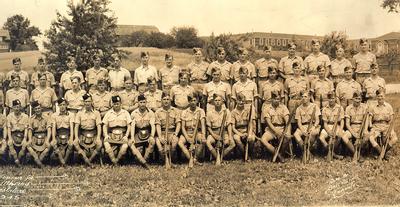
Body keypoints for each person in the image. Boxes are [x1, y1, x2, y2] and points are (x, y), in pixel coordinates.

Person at [260, 92, 291, 162]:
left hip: (282, 128)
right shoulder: (266, 108)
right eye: (275, 99)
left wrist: (287, 131)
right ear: (271, 99)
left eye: (278, 99)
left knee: (288, 137)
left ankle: (279, 154)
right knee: (263, 140)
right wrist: (276, 132)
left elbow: (287, 122)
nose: (277, 101)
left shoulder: (283, 107)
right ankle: (278, 155)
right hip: (271, 129)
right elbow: (268, 123)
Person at [73, 94, 102, 166]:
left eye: (89, 101)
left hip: (93, 133)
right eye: (85, 101)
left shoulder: (96, 113)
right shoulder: (79, 113)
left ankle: (90, 160)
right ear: (83, 102)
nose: (87, 103)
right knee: (75, 143)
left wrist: (98, 137)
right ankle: (86, 159)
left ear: (92, 102)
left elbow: (99, 126)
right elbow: (76, 126)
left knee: (100, 144)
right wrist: (76, 137)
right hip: (83, 134)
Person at [368, 89, 398, 159]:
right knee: (371, 138)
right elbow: (369, 119)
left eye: (381, 96)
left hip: (386, 126)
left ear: (384, 96)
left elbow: (391, 120)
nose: (380, 98)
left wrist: (390, 129)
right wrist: (371, 127)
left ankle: (381, 153)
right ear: (376, 97)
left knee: (395, 139)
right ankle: (382, 154)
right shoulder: (373, 107)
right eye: (378, 96)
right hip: (376, 126)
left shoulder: (388, 106)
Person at [103, 95, 132, 165]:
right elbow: (104, 125)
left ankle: (117, 160)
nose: (116, 105)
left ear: (121, 104)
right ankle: (113, 160)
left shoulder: (125, 113)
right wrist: (106, 135)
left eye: (118, 104)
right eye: (114, 104)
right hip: (111, 134)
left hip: (122, 134)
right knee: (106, 143)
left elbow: (129, 125)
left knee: (125, 146)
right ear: (112, 104)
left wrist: (126, 136)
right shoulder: (108, 113)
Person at [206, 94, 235, 163]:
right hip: (214, 132)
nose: (217, 102)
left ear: (222, 101)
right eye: (215, 100)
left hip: (224, 132)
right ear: (213, 102)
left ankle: (220, 157)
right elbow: (208, 127)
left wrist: (230, 136)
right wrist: (214, 135)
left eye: (219, 100)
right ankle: (217, 157)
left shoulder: (226, 111)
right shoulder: (209, 113)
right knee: (208, 142)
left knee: (232, 144)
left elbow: (229, 125)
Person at [178, 94, 206, 164]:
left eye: (194, 100)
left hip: (197, 132)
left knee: (203, 141)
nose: (193, 102)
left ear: (197, 101)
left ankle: (195, 157)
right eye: (191, 100)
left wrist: (203, 135)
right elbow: (183, 127)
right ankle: (191, 159)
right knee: (180, 143)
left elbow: (202, 125)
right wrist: (187, 138)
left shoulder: (201, 111)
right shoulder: (184, 112)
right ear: (188, 102)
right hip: (187, 132)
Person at [154, 92, 181, 165]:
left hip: (172, 132)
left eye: (168, 99)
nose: (166, 101)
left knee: (175, 142)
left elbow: (178, 124)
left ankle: (172, 160)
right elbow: (158, 125)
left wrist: (175, 134)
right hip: (162, 133)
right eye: (164, 99)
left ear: (170, 100)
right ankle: (163, 160)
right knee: (158, 143)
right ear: (161, 100)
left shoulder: (175, 111)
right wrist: (160, 137)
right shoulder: (158, 112)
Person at [342, 92, 370, 158]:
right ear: (352, 99)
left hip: (362, 127)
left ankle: (360, 151)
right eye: (356, 98)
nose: (358, 100)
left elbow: (366, 121)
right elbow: (347, 124)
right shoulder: (348, 108)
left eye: (359, 99)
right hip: (352, 127)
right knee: (344, 137)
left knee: (366, 137)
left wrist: (365, 130)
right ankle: (356, 153)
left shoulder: (364, 107)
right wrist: (353, 133)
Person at [293, 91, 321, 157]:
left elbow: (317, 120)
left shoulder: (314, 106)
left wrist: (313, 127)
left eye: (305, 96)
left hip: (313, 126)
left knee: (312, 133)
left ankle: (306, 152)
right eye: (302, 97)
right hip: (303, 126)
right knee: (296, 134)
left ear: (309, 98)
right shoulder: (299, 108)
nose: (303, 98)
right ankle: (307, 152)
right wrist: (302, 130)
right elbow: (299, 122)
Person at [319, 91, 345, 159]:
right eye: (329, 98)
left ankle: (331, 153)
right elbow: (325, 123)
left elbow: (342, 121)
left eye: (332, 98)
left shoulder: (340, 108)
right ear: (328, 99)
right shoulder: (324, 109)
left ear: (335, 99)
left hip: (337, 126)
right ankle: (333, 154)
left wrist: (340, 130)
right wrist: (328, 131)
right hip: (328, 126)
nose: (331, 100)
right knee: (321, 137)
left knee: (340, 136)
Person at [130, 94, 156, 165]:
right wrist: (132, 138)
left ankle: (144, 160)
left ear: (146, 102)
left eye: (144, 102)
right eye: (140, 102)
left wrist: (152, 136)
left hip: (148, 132)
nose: (142, 104)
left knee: (152, 142)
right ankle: (142, 160)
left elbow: (153, 126)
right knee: (132, 145)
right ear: (138, 103)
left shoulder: (150, 113)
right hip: (138, 133)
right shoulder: (134, 113)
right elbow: (132, 127)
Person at [231, 94, 256, 161]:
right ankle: (245, 155)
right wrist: (241, 134)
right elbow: (233, 127)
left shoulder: (248, 110)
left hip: (247, 130)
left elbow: (251, 123)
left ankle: (250, 153)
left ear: (245, 102)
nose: (241, 103)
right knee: (236, 138)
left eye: (242, 101)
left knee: (252, 139)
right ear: (236, 101)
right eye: (239, 101)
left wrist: (249, 134)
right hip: (238, 131)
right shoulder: (233, 112)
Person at [26, 101, 52, 167]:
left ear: (41, 108)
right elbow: (30, 130)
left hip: (44, 136)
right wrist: (30, 139)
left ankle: (39, 160)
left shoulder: (47, 117)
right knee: (28, 145)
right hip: (35, 136)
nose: (38, 110)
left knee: (49, 145)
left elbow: (49, 130)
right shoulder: (31, 119)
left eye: (39, 108)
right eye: (36, 109)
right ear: (34, 110)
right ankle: (37, 160)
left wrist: (47, 140)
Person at [50, 98, 74, 166]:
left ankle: (65, 161)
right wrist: (54, 138)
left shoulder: (71, 115)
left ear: (66, 105)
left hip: (67, 134)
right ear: (58, 106)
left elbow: (71, 127)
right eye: (60, 105)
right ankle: (62, 160)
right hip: (58, 135)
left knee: (71, 144)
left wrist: (71, 138)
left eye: (64, 104)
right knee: (53, 143)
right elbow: (54, 128)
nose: (62, 106)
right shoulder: (54, 115)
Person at [7, 100, 29, 166]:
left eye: (18, 107)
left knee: (24, 145)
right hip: (13, 134)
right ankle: (16, 160)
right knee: (10, 144)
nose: (17, 108)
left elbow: (26, 129)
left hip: (22, 135)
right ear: (13, 108)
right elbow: (8, 128)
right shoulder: (9, 116)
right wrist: (10, 138)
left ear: (20, 107)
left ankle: (19, 159)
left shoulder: (25, 116)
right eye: (15, 107)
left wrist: (25, 138)